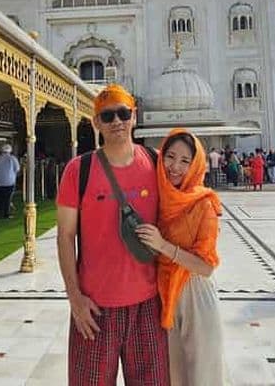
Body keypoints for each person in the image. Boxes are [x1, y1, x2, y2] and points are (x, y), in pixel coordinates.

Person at [56, 84, 170, 386]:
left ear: (134, 116)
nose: (117, 121)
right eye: (107, 116)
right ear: (96, 122)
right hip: (95, 308)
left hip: (148, 304)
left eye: (123, 113)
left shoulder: (156, 163)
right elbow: (65, 236)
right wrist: (75, 298)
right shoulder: (78, 170)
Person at [136, 129, 225, 386]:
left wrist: (163, 246)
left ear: (195, 165)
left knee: (203, 375)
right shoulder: (158, 197)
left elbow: (206, 267)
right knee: (175, 376)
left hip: (195, 293)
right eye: (170, 157)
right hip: (165, 294)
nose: (175, 167)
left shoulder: (203, 204)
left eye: (185, 161)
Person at [0, 144, 20, 219]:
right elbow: (17, 169)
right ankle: (6, 214)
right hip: (10, 181)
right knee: (7, 199)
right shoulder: (13, 158)